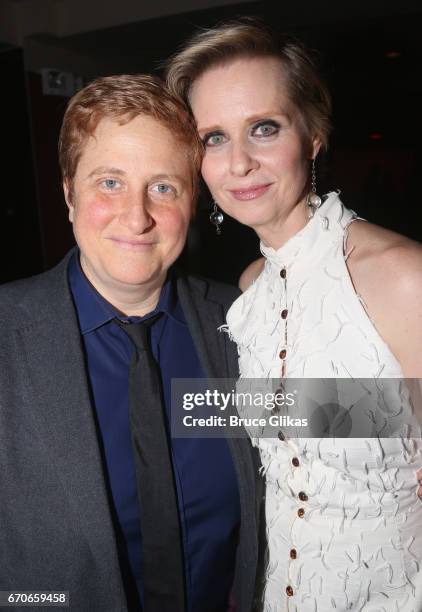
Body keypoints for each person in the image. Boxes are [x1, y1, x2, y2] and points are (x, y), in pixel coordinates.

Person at [165, 19, 422, 611]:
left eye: (263, 127)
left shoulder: (401, 277)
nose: (240, 163)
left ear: (312, 135)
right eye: (213, 138)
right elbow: (303, 432)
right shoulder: (248, 296)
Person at [0, 74, 263, 612]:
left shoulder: (241, 324)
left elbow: (350, 419)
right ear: (69, 192)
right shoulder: (8, 336)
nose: (138, 217)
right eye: (110, 182)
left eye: (163, 186)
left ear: (193, 201)